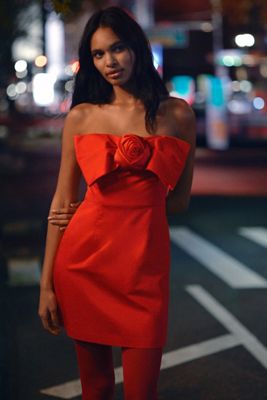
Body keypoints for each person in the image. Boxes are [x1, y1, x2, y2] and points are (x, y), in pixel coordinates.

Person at [38, 6, 195, 400]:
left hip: (144, 271)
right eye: (98, 54)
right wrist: (46, 285)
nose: (110, 61)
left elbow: (178, 202)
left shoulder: (178, 114)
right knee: (97, 390)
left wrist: (137, 207)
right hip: (83, 266)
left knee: (143, 392)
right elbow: (62, 205)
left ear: (138, 49)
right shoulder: (82, 117)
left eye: (118, 48)